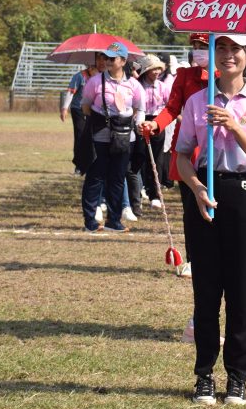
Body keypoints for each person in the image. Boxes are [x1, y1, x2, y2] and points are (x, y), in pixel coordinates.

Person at [175, 33, 246, 406]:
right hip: (205, 193)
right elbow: (183, 155)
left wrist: (235, 127)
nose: (228, 55)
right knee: (205, 291)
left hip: (245, 194)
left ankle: (237, 378)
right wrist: (196, 188)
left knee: (240, 290)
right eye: (221, 48)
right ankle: (204, 376)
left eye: (235, 49)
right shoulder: (196, 101)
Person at [140, 33, 213, 277]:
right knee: (191, 209)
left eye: (203, 46)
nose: (198, 50)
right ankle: (193, 259)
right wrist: (155, 124)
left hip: (219, 148)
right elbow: (172, 108)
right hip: (188, 149)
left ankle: (217, 258)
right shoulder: (184, 75)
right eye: (195, 46)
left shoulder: (226, 75)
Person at [79, 42, 145, 232]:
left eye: (112, 58)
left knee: (117, 178)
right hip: (100, 137)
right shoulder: (95, 82)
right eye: (105, 57)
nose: (107, 61)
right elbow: (86, 106)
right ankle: (90, 221)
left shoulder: (134, 84)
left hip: (125, 138)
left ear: (123, 61)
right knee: (95, 177)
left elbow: (140, 108)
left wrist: (137, 124)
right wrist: (102, 120)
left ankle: (114, 221)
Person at [133, 54, 169, 210]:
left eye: (159, 69)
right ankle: (138, 192)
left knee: (157, 159)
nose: (157, 72)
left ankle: (155, 194)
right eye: (153, 69)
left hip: (157, 122)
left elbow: (170, 106)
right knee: (139, 157)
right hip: (140, 122)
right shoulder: (137, 86)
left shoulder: (163, 87)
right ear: (146, 71)